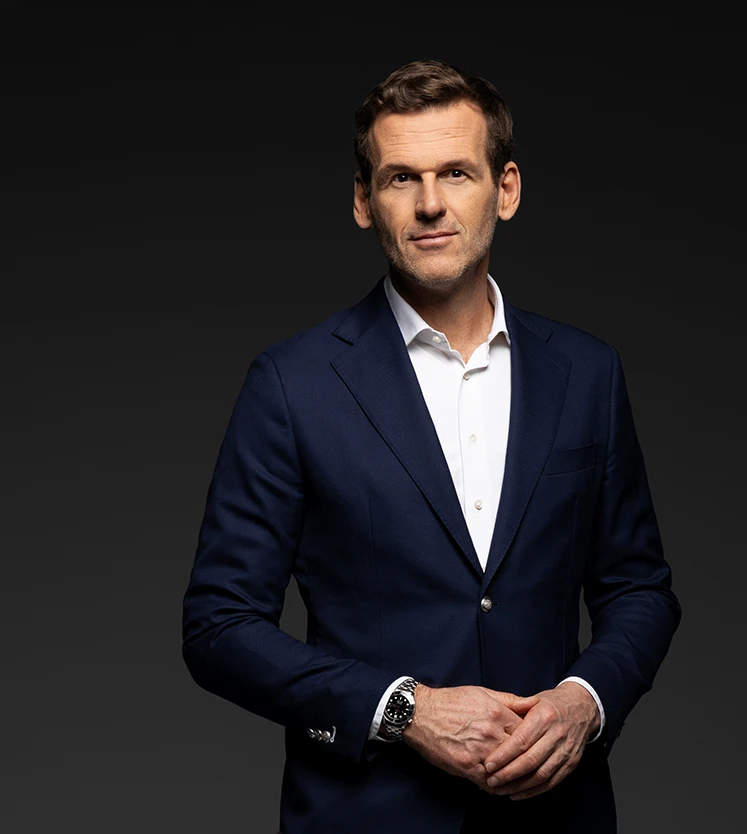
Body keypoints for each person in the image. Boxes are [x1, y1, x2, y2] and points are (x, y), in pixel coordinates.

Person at [182, 58, 681, 833]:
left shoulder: (587, 372)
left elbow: (640, 589)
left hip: (557, 818)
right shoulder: (292, 383)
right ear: (363, 201)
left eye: (456, 172)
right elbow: (218, 626)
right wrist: (403, 710)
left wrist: (585, 702)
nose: (430, 204)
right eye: (400, 179)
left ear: (505, 189)